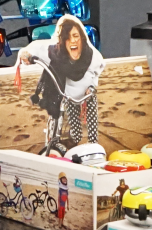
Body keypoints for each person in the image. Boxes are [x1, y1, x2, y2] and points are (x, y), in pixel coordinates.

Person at [18, 15, 105, 154]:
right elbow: (37, 49)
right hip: (64, 97)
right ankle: (56, 143)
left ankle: (93, 149)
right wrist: (26, 55)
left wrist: (92, 87)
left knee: (92, 130)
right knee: (65, 126)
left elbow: (98, 71)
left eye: (76, 35)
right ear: (63, 41)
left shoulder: (92, 55)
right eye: (67, 38)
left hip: (85, 97)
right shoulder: (55, 53)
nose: (73, 41)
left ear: (82, 37)